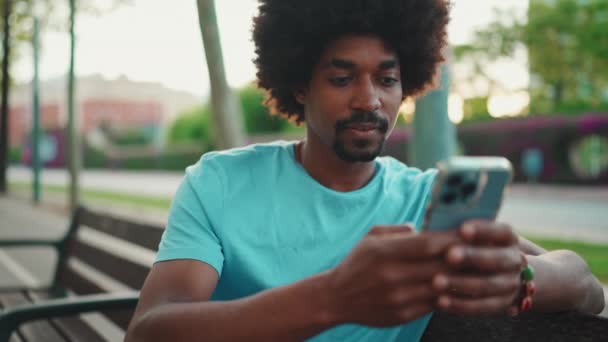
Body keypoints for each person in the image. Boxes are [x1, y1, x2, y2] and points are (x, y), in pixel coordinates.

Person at [125, 0, 605, 341]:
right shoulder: (220, 183)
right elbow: (150, 330)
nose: (369, 99)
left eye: (388, 78)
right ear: (298, 86)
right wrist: (335, 297)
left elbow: (586, 285)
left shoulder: (425, 200)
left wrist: (516, 279)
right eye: (341, 78)